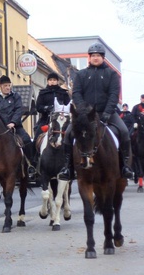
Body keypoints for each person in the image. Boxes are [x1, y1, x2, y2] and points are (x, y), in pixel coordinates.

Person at [59, 42, 134, 181]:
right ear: (89, 57)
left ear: (103, 57)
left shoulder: (111, 74)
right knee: (68, 134)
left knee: (124, 132)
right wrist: (83, 111)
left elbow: (113, 94)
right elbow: (76, 93)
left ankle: (126, 167)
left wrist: (106, 113)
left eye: (98, 55)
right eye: (93, 55)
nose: (95, 58)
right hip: (85, 115)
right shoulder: (81, 74)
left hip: (107, 113)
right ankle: (67, 168)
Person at [0, 75, 36, 170]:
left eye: (9, 85)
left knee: (27, 140)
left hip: (15, 127)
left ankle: (31, 164)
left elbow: (19, 110)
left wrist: (13, 122)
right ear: (0, 86)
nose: (7, 87)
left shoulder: (16, 97)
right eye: (5, 85)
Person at [33, 72, 71, 139]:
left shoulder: (63, 93)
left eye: (54, 80)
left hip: (61, 119)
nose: (52, 82)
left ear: (57, 81)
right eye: (50, 80)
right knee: (37, 136)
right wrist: (48, 108)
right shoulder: (43, 93)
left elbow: (68, 106)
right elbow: (38, 107)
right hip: (46, 119)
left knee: (71, 135)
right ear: (47, 81)